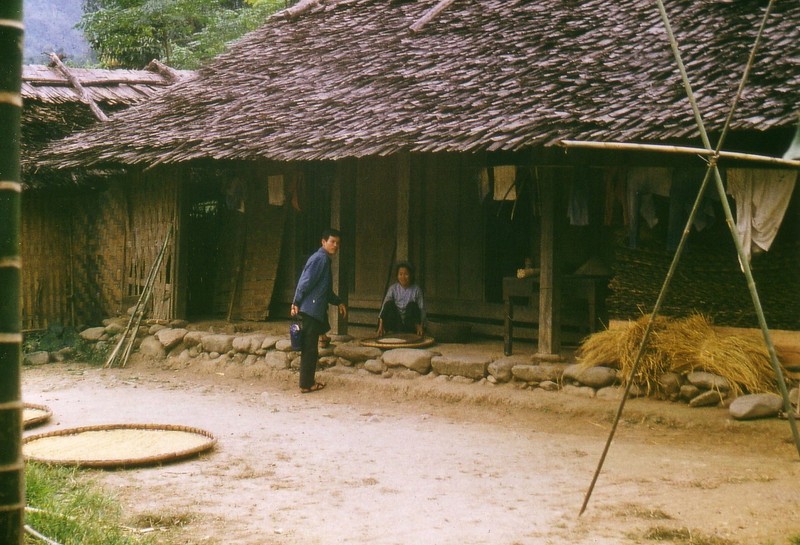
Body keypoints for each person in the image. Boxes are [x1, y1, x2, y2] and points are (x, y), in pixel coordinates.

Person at [291, 228, 347, 393]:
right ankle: (306, 384)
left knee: (310, 348)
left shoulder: (324, 260)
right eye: (332, 242)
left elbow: (326, 291)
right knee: (309, 349)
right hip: (310, 310)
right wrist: (296, 301)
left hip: (313, 309)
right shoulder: (320, 259)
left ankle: (307, 383)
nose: (335, 245)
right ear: (323, 242)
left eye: (337, 243)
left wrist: (339, 302)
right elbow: (305, 282)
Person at [377, 261, 425, 337]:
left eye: (406, 274)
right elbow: (385, 307)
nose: (403, 277)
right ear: (397, 276)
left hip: (410, 324)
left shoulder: (416, 290)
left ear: (411, 275)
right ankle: (393, 331)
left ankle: (414, 330)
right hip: (396, 323)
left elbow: (421, 309)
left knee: (412, 305)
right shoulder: (393, 288)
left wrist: (421, 326)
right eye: (400, 274)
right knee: (389, 304)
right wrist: (380, 326)